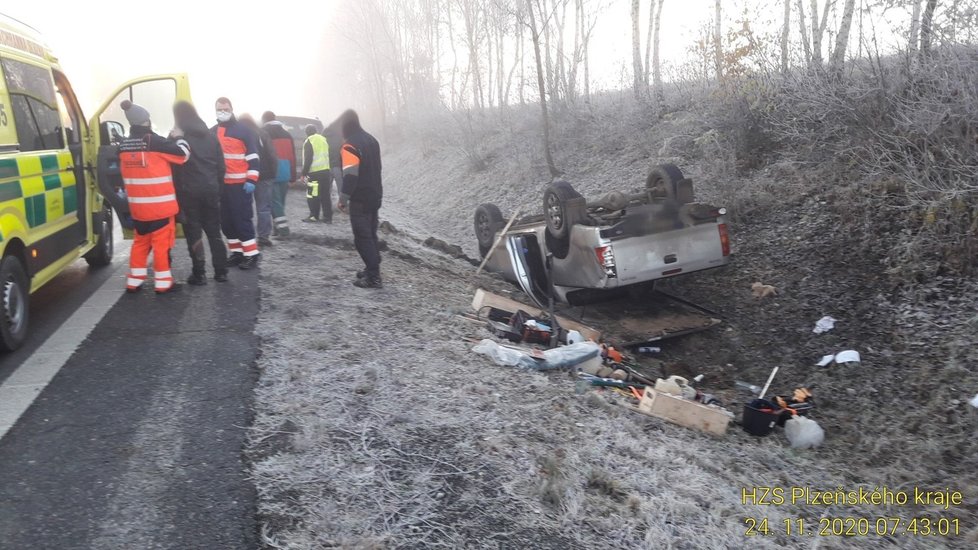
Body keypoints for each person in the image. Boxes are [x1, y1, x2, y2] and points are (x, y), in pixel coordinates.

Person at [117, 100, 189, 294]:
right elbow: (183, 155)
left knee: (140, 243)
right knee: (161, 245)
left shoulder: (124, 145)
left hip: (138, 209)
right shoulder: (153, 141)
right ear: (146, 121)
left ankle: (134, 281)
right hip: (160, 207)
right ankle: (163, 283)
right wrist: (180, 138)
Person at [171, 101, 228, 284]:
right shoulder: (212, 136)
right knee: (214, 232)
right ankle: (221, 271)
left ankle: (199, 273)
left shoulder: (179, 138)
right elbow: (221, 167)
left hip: (189, 193)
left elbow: (173, 167)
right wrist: (217, 188)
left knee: (194, 233)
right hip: (211, 190)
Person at [336, 109, 383, 289]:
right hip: (375, 195)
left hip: (360, 199)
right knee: (371, 235)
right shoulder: (372, 140)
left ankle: (374, 277)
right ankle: (371, 268)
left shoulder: (350, 146)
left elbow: (350, 177)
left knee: (362, 238)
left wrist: (343, 199)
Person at [213, 97, 261, 269]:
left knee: (242, 220)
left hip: (240, 185)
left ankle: (251, 255)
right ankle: (237, 253)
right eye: (219, 109)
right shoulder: (213, 131)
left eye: (225, 109)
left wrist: (251, 180)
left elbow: (254, 157)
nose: (223, 112)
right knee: (226, 222)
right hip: (222, 186)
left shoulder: (243, 130)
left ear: (232, 109)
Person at [239, 113, 278, 247]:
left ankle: (245, 237)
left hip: (244, 176)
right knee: (264, 208)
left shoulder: (238, 134)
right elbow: (272, 154)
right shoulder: (262, 133)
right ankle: (263, 237)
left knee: (244, 208)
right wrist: (273, 172)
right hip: (264, 175)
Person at [260, 111, 297, 237]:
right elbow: (292, 155)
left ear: (264, 120)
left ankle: (284, 230)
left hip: (272, 170)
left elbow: (264, 154)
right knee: (280, 202)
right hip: (286, 169)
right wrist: (293, 176)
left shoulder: (264, 133)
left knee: (275, 203)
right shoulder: (287, 134)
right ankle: (277, 228)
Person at [299, 124, 333, 223]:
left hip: (314, 173)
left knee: (313, 195)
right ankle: (327, 217)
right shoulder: (324, 139)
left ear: (307, 133)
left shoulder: (309, 141)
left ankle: (314, 216)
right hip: (326, 171)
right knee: (325, 195)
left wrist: (303, 173)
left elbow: (308, 159)